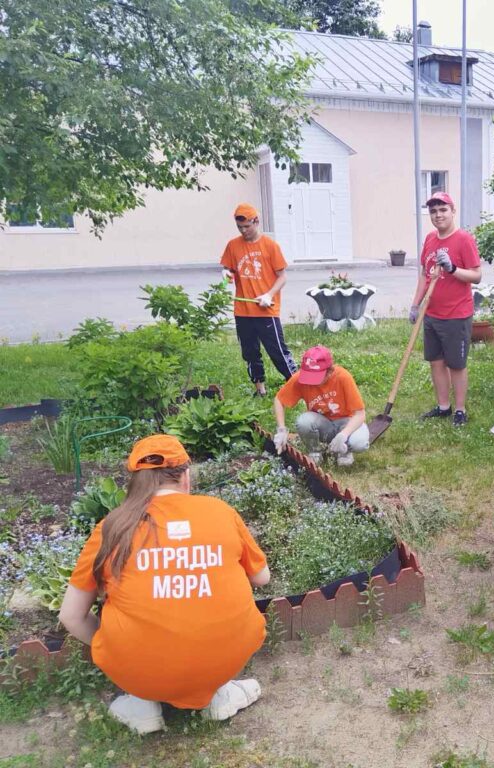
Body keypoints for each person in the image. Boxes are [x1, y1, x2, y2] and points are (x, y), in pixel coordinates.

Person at [58, 435, 270, 734]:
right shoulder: (220, 511)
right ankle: (218, 693)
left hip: (138, 669)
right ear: (185, 476)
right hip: (225, 658)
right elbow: (262, 578)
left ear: (136, 481)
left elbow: (70, 616)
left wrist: (121, 650)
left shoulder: (112, 527)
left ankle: (143, 701)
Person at [408, 192, 482, 427]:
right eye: (433, 211)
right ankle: (443, 407)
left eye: (442, 210)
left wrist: (452, 268)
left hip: (456, 315)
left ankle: (460, 410)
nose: (438, 215)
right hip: (432, 313)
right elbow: (424, 275)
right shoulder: (430, 239)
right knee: (436, 361)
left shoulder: (463, 239)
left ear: (453, 211)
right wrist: (415, 304)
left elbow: (476, 276)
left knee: (456, 364)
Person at [220, 203, 297, 397]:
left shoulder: (270, 246)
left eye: (247, 226)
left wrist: (269, 294)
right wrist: (227, 273)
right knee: (250, 353)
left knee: (278, 352)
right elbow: (230, 269)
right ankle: (260, 390)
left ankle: (298, 388)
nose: (244, 231)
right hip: (243, 311)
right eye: (240, 228)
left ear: (256, 221)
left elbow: (283, 276)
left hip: (266, 310)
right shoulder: (233, 245)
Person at [273, 345, 369, 466]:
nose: (311, 381)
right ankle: (315, 451)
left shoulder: (343, 377)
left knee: (359, 442)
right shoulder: (301, 378)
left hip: (346, 422)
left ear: (329, 372)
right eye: (309, 375)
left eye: (316, 377)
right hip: (323, 424)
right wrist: (281, 430)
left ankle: (345, 451)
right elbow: (279, 400)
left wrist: (344, 434)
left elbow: (360, 414)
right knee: (304, 421)